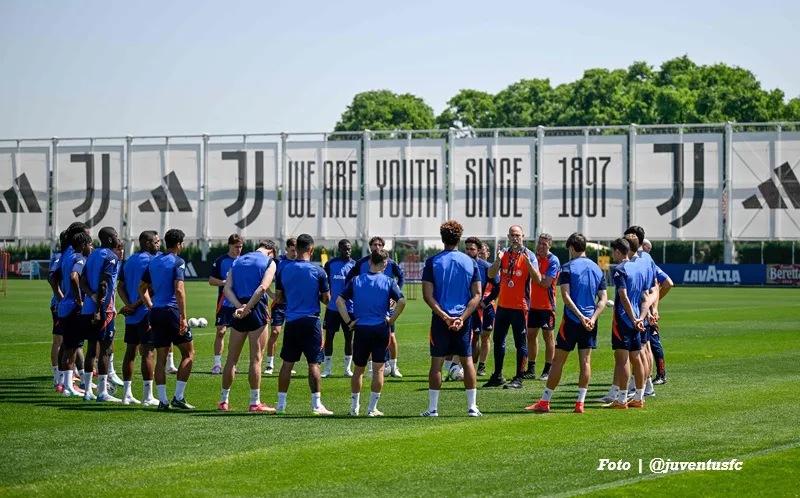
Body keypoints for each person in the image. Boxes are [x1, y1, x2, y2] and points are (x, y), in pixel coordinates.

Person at [526, 233, 607, 413]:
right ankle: (580, 403)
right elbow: (603, 299)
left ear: (571, 248)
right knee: (585, 361)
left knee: (558, 361)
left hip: (572, 321)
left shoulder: (568, 267)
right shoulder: (597, 269)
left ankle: (545, 402)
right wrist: (591, 319)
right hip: (590, 323)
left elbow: (566, 296)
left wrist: (580, 317)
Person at [420, 220, 482, 417]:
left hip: (441, 320)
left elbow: (427, 295)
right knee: (467, 362)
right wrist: (461, 318)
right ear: (460, 239)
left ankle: (433, 408)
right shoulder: (470, 262)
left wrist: (445, 317)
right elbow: (477, 295)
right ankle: (472, 407)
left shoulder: (433, 262)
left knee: (437, 363)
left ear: (442, 238)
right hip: (462, 321)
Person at [337, 249, 406, 417]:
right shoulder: (388, 281)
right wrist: (391, 320)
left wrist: (348, 321)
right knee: (379, 370)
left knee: (358, 369)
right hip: (380, 329)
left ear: (369, 262)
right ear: (386, 264)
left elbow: (339, 300)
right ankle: (371, 409)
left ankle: (354, 408)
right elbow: (402, 301)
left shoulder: (356, 280)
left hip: (361, 329)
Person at [274, 234, 333, 415]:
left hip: (291, 321)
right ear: (311, 249)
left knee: (287, 363)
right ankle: (316, 405)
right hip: (312, 321)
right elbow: (327, 299)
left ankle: (281, 406)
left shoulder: (283, 270)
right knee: (313, 363)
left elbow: (278, 297)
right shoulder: (319, 272)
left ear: (297, 248)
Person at [218, 240, 278, 413]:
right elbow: (262, 288)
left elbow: (227, 289)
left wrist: (240, 307)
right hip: (256, 308)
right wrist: (249, 308)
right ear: (271, 251)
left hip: (238, 310)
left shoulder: (237, 260)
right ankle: (254, 402)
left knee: (231, 359)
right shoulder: (269, 262)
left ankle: (223, 401)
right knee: (256, 358)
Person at [138, 229, 195, 411]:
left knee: (161, 359)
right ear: (179, 244)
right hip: (172, 312)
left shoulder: (154, 261)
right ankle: (178, 397)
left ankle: (163, 401)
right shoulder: (178, 261)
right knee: (188, 353)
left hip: (156, 312)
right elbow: (179, 290)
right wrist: (184, 318)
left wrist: (151, 306)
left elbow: (141, 288)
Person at [483, 225, 542, 389]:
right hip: (503, 305)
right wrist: (497, 260)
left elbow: (537, 279)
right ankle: (498, 375)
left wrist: (529, 264)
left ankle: (519, 378)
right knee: (498, 340)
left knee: (520, 343)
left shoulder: (529, 255)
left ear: (523, 236)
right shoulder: (504, 254)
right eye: (512, 235)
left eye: (518, 235)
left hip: (520, 306)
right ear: (508, 237)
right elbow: (491, 274)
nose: (515, 238)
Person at [601, 236, 654, 409]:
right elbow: (645, 296)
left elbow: (623, 297)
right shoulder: (638, 268)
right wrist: (640, 318)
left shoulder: (620, 270)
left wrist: (631, 318)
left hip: (623, 320)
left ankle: (622, 399)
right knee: (636, 358)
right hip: (638, 319)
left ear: (617, 251)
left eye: (613, 253)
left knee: (622, 359)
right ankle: (639, 397)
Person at [346, 236, 405, 378]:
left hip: (386, 307)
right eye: (374, 244)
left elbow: (401, 277)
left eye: (380, 244)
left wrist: (394, 296)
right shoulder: (361, 263)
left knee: (391, 335)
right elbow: (349, 280)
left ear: (383, 247)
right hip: (366, 308)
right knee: (368, 335)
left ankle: (393, 366)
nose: (377, 246)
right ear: (370, 247)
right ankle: (372, 369)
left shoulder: (390, 262)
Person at [79, 227, 123, 402]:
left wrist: (91, 296)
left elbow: (82, 282)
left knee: (91, 349)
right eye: (116, 236)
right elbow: (104, 284)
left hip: (88, 307)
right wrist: (99, 309)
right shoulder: (110, 257)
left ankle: (88, 390)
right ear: (111, 240)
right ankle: (102, 392)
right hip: (103, 310)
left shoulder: (92, 255)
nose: (117, 238)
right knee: (105, 349)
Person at [118, 230, 161, 406]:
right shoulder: (153, 261)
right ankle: (147, 396)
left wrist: (128, 304)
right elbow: (150, 288)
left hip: (131, 315)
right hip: (145, 312)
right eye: (156, 242)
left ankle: (126, 394)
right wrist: (135, 305)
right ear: (147, 243)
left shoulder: (129, 261)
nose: (159, 245)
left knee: (130, 352)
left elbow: (120, 286)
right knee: (148, 352)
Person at [56, 231, 93, 396]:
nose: (92, 248)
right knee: (71, 349)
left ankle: (66, 384)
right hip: (73, 308)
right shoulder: (79, 258)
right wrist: (79, 299)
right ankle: (68, 387)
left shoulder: (67, 257)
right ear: (83, 245)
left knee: (69, 346)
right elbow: (73, 277)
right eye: (90, 245)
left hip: (64, 306)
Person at [524, 233, 560, 381]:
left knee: (548, 337)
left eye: (544, 244)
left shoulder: (553, 260)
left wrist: (538, 276)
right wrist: (540, 276)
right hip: (532, 305)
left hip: (547, 306)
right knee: (531, 336)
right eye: (539, 243)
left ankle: (547, 369)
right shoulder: (533, 258)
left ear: (550, 245)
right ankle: (531, 369)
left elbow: (546, 284)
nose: (540, 246)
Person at [322, 239, 357, 378]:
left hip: (349, 309)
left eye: (349, 249)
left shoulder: (355, 265)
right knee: (329, 337)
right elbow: (324, 284)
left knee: (349, 338)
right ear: (339, 249)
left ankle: (347, 369)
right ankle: (327, 369)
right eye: (344, 249)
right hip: (332, 308)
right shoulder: (330, 264)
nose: (347, 251)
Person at [209, 234, 244, 374]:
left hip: (239, 302)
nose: (239, 249)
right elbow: (211, 280)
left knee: (237, 335)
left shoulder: (244, 261)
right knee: (221, 331)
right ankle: (217, 365)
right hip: (224, 302)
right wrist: (225, 283)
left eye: (241, 247)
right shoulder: (221, 260)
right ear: (230, 246)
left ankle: (232, 365)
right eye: (236, 247)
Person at [641, 238, 673, 385]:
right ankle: (648, 377)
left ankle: (659, 375)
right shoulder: (649, 265)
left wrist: (654, 308)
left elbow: (665, 284)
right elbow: (664, 285)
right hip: (647, 310)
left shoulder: (648, 265)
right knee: (648, 344)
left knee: (651, 343)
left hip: (645, 311)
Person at [265, 238, 297, 375]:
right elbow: (263, 277)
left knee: (291, 335)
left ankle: (289, 364)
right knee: (275, 332)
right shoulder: (278, 261)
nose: (295, 253)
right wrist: (271, 294)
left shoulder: (300, 262)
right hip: (279, 303)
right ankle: (269, 365)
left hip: (294, 304)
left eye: (296, 250)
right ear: (287, 249)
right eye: (292, 250)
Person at [47, 230, 68, 387]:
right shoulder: (60, 256)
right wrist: (61, 297)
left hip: (66, 304)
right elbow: (52, 276)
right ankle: (57, 374)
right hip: (59, 305)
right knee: (59, 341)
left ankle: (67, 372)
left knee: (69, 341)